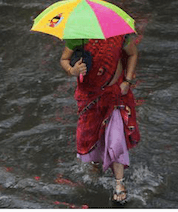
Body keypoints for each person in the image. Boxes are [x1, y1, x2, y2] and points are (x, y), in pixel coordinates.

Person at [60, 34, 140, 204]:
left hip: (115, 96)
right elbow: (64, 59)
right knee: (91, 138)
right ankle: (96, 164)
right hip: (90, 97)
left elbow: (132, 53)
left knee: (116, 138)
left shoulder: (117, 35)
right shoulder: (78, 37)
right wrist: (72, 70)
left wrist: (128, 81)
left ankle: (119, 183)